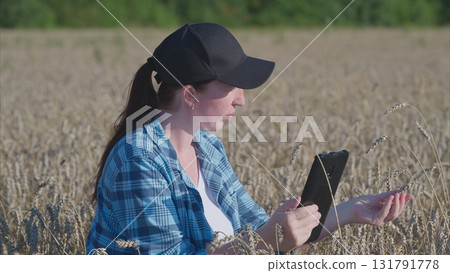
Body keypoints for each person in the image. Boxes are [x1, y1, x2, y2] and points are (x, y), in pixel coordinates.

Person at [86, 23, 412, 255]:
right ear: (189, 95)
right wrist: (267, 240)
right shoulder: (139, 159)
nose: (241, 100)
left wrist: (349, 212)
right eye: (231, 87)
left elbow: (257, 228)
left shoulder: (207, 147)